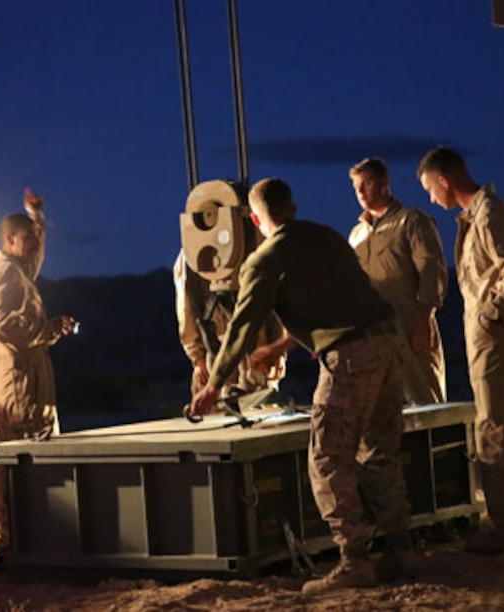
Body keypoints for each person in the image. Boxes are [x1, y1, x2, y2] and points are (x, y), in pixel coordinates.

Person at [191, 178, 415, 593]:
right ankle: (401, 551)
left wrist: (214, 384)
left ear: (256, 220)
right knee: (380, 449)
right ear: (291, 208)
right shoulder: (327, 238)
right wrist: (281, 347)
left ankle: (353, 560)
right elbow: (338, 299)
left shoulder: (263, 260)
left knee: (327, 457)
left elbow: (241, 327)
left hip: (350, 356)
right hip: (386, 342)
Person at [416, 147, 504, 554]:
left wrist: (492, 312)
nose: (430, 198)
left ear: (444, 180)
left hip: (500, 335)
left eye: (429, 189)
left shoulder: (490, 212)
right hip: (496, 333)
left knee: (496, 429)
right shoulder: (477, 215)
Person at [0, 188, 77, 559]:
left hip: (31, 377)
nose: (35, 243)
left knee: (38, 453)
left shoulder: (16, 268)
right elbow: (5, 326)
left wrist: (36, 218)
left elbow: (33, 257)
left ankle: (37, 536)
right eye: (28, 237)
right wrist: (48, 329)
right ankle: (13, 541)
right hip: (19, 382)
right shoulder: (2, 274)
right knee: (19, 457)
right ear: (9, 241)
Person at [348, 157, 447, 405]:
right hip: (371, 332)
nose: (360, 191)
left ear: (384, 183)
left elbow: (430, 269)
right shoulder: (357, 234)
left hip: (408, 323)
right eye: (356, 186)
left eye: (367, 183)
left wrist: (424, 318)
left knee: (424, 394)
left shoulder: (411, 221)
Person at [173, 249, 284, 398]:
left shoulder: (257, 242)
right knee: (215, 413)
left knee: (260, 410)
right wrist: (198, 358)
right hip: (214, 355)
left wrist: (279, 351)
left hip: (257, 356)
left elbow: (277, 301)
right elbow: (187, 309)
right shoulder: (193, 250)